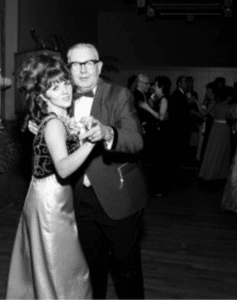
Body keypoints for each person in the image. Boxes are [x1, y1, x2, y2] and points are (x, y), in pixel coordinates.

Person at [29, 43, 148, 299]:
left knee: (126, 272)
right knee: (89, 273)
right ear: (67, 68)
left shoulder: (119, 95)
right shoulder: (62, 94)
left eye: (89, 63)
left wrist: (107, 132)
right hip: (78, 200)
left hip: (118, 197)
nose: (82, 70)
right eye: (75, 64)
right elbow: (45, 120)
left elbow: (136, 140)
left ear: (100, 66)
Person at [5, 53, 94, 299]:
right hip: (50, 201)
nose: (65, 90)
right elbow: (64, 168)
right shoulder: (53, 123)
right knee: (60, 264)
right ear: (43, 95)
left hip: (50, 196)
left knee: (53, 261)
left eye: (65, 83)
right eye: (55, 87)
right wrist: (91, 143)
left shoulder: (54, 120)